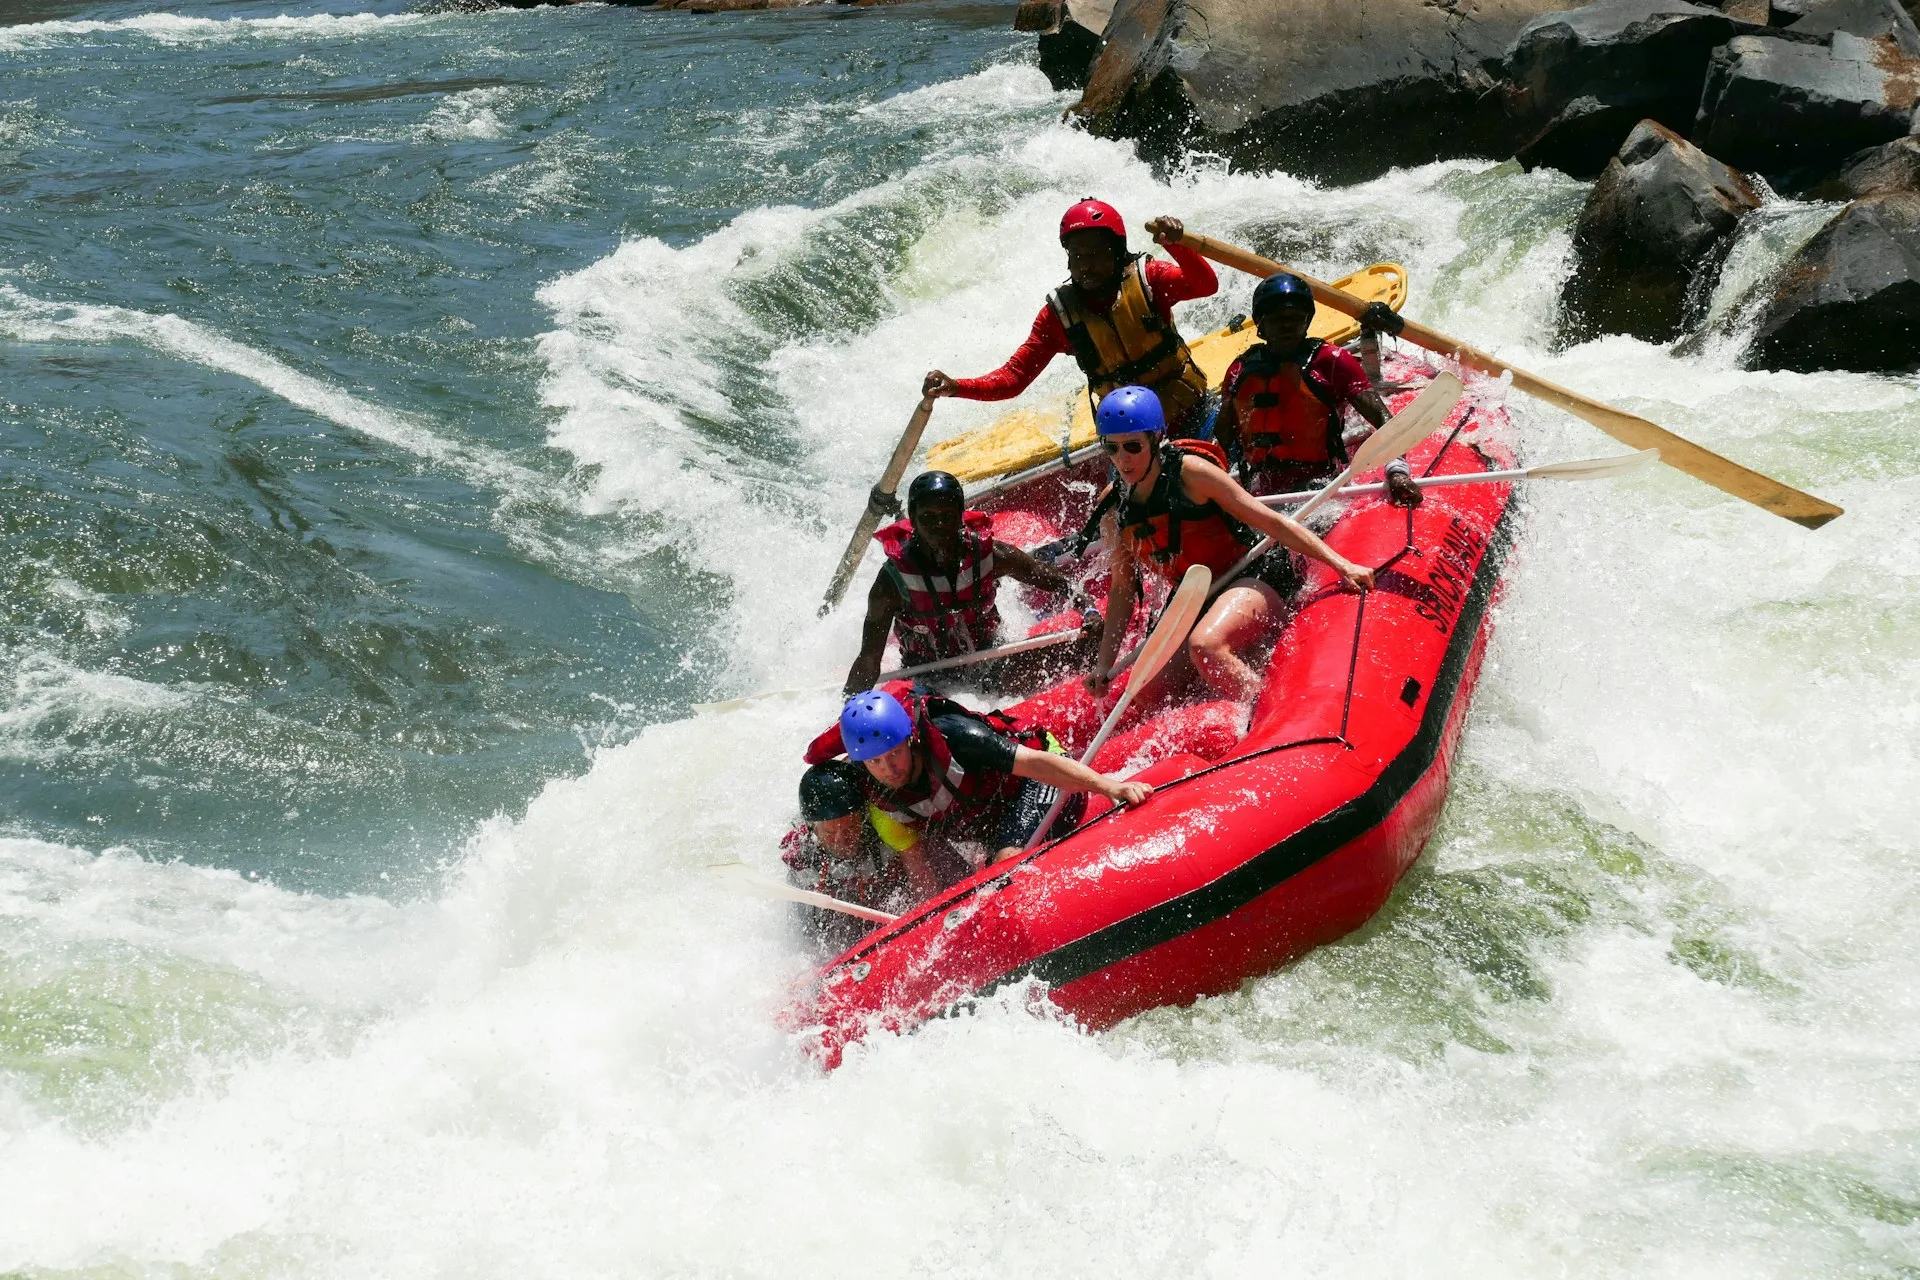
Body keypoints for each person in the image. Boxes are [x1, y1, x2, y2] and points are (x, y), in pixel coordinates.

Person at [1084, 384, 1385, 703]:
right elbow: (1122, 588)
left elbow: (1273, 522)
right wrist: (1104, 664)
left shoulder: (1193, 474)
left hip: (1253, 571)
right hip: (1196, 594)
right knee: (1146, 691)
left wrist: (1341, 565)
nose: (1122, 459)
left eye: (1132, 446)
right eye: (1111, 448)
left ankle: (1268, 715)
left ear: (1156, 439)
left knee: (1206, 646)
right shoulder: (1113, 505)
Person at [805, 684, 1153, 890]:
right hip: (995, 816)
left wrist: (1110, 787)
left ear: (909, 740)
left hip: (1040, 785)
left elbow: (1034, 763)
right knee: (985, 881)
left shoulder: (954, 736)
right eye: (875, 762)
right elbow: (917, 866)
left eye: (894, 754)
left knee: (1006, 862)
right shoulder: (869, 785)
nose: (887, 769)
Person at [921, 200, 1219, 439]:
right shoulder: (1058, 316)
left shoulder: (1150, 279)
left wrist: (1177, 245)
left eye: (1095, 253)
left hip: (1191, 412)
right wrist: (957, 386)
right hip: (1130, 439)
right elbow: (1014, 378)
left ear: (1116, 252)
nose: (1086, 265)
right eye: (1077, 255)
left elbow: (1206, 285)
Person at [844, 470, 1100, 696]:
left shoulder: (991, 556)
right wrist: (847, 713)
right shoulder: (891, 582)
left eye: (947, 516)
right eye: (928, 517)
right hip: (927, 677)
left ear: (961, 515)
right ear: (912, 518)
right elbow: (868, 659)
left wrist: (1089, 610)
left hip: (990, 658)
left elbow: (1059, 583)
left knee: (1082, 651)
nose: (939, 526)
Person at [1213, 272, 1421, 503]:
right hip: (1261, 490)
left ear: (1307, 319)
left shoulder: (1331, 361)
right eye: (1277, 319)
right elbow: (1220, 440)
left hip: (1320, 486)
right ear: (1261, 323)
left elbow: (1384, 420)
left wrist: (1397, 471)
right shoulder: (1239, 370)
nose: (1287, 327)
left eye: (1295, 318)